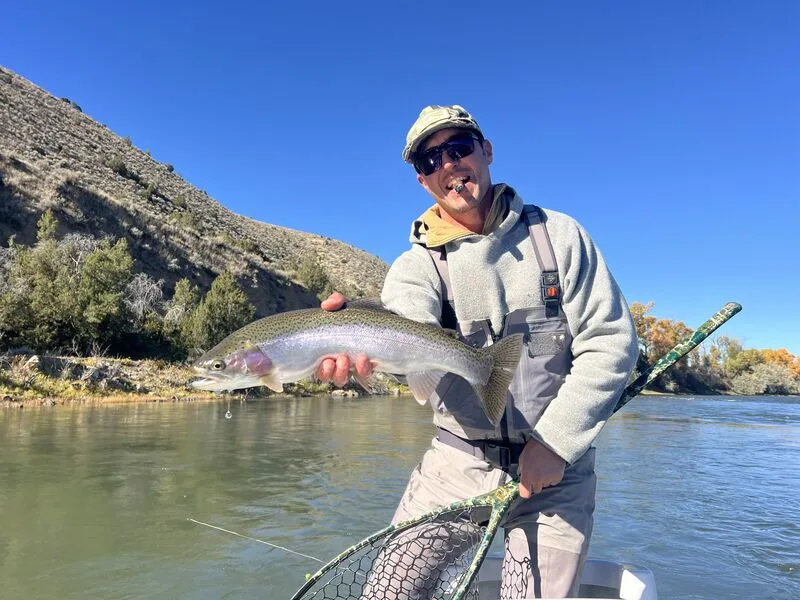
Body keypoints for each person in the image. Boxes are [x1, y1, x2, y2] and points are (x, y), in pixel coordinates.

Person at [318, 105, 638, 598]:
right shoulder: (415, 266)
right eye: (430, 161)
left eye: (458, 147)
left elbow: (612, 343)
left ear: (485, 151)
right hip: (457, 460)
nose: (447, 164)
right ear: (423, 181)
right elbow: (408, 326)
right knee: (388, 590)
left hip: (558, 471)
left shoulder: (559, 237)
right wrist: (355, 336)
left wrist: (553, 444)